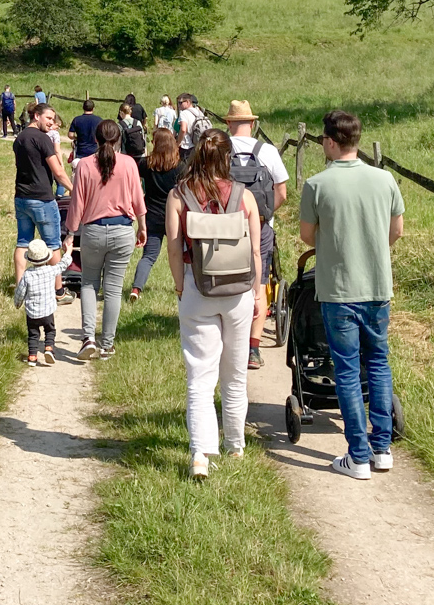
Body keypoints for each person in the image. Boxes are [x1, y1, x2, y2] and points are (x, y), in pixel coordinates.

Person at [299, 110, 405, 481]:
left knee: (346, 369)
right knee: (377, 363)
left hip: (338, 288)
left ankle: (357, 454)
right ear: (356, 140)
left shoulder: (317, 184)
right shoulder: (384, 179)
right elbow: (396, 231)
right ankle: (382, 448)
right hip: (377, 285)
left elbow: (308, 237)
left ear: (329, 141)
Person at [166, 129, 262, 478]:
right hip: (237, 291)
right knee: (235, 375)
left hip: (197, 286)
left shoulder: (180, 194)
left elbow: (174, 247)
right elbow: (254, 249)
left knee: (200, 377)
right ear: (227, 157)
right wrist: (256, 290)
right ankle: (235, 447)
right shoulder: (244, 196)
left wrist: (180, 285)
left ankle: (200, 454)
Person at [65, 119, 147, 360]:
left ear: (95, 139)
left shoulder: (85, 165)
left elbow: (77, 203)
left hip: (93, 231)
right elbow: (138, 199)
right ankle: (107, 344)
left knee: (89, 284)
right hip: (122, 230)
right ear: (119, 138)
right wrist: (142, 226)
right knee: (112, 290)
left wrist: (70, 233)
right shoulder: (129, 163)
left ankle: (88, 337)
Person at [225, 100, 290, 369]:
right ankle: (253, 349)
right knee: (260, 282)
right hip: (260, 226)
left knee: (225, 277)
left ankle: (228, 340)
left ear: (228, 123)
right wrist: (262, 215)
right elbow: (282, 193)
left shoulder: (219, 149)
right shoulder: (268, 151)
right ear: (252, 124)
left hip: (225, 225)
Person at [12, 102, 74, 309]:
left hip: (21, 197)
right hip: (42, 199)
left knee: (23, 242)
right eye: (48, 118)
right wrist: (73, 189)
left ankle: (20, 287)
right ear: (36, 116)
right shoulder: (42, 139)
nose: (52, 123)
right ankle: (58, 291)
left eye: (53, 120)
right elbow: (58, 171)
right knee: (53, 243)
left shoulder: (19, 138)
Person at [131, 128, 184, 300]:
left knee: (148, 257)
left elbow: (135, 182)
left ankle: (136, 289)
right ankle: (182, 287)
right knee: (180, 254)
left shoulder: (146, 164)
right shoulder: (180, 166)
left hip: (151, 215)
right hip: (174, 216)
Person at [15, 239, 74, 366]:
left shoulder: (27, 275)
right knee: (50, 330)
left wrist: (17, 303)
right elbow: (63, 265)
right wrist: (68, 252)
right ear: (47, 257)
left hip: (32, 314)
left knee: (33, 334)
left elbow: (20, 292)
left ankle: (32, 357)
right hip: (47, 312)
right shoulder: (50, 270)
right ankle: (48, 348)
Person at [67, 99, 102, 168]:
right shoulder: (99, 120)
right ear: (93, 108)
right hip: (95, 151)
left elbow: (70, 135)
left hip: (81, 152)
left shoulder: (77, 119)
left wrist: (77, 138)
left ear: (83, 108)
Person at [177, 94, 208, 163]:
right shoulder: (199, 112)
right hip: (198, 144)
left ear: (188, 102)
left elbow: (183, 129)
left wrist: (178, 143)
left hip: (186, 146)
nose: (178, 105)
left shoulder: (184, 113)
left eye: (180, 103)